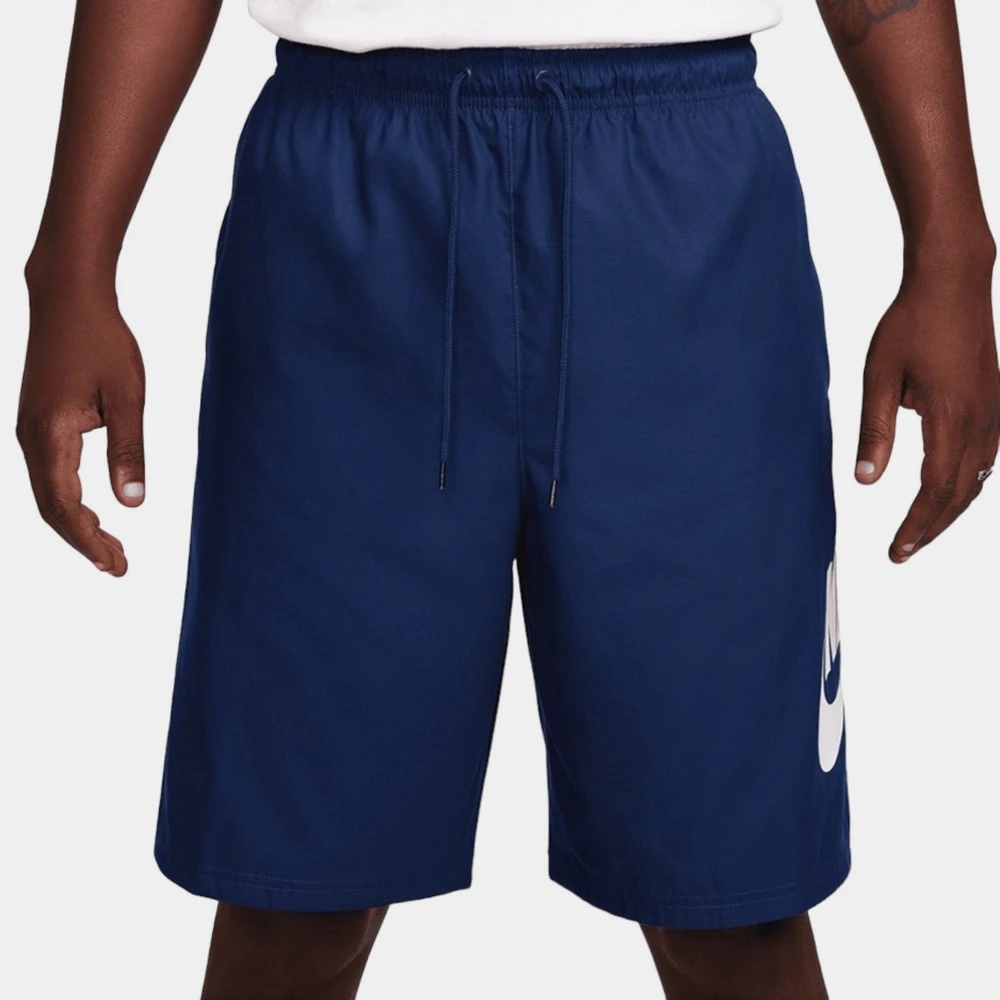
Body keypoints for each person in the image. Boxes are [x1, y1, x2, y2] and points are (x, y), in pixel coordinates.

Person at [16, 0, 998, 996]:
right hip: (346, 211)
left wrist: (953, 254)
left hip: (682, 201)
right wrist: (71, 271)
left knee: (731, 905)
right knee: (292, 898)